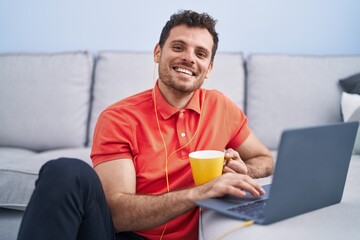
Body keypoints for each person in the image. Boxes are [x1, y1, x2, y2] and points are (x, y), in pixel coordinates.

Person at [17, 10, 273, 240]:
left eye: (201, 54)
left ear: (209, 69)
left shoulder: (221, 106)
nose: (189, 58)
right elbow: (117, 215)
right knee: (65, 171)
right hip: (127, 236)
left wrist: (243, 172)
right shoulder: (119, 117)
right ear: (158, 53)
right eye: (178, 47)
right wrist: (201, 191)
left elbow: (264, 158)